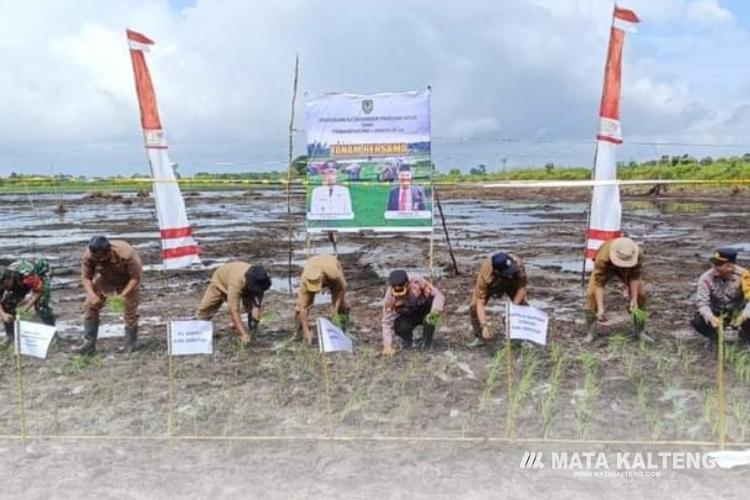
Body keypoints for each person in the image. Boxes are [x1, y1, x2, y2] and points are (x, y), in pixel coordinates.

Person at [72, 236, 143, 355]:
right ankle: (89, 344)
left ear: (109, 251)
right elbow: (86, 277)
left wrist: (122, 295)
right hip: (105, 278)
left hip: (128, 280)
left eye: (101, 258)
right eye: (96, 258)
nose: (99, 261)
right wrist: (92, 294)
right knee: (89, 305)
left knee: (129, 309)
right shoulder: (88, 256)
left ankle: (131, 345)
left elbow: (135, 277)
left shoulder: (127, 253)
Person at [584, 237, 647, 343]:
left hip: (629, 270)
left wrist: (634, 299)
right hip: (608, 266)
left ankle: (640, 332)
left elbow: (635, 277)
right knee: (591, 294)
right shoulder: (602, 256)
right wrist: (600, 308)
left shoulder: (638, 254)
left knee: (641, 295)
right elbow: (598, 283)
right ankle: (591, 333)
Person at [195, 262, 271, 345]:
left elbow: (258, 300)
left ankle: (252, 333)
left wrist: (256, 309)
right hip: (220, 282)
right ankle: (196, 335)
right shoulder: (236, 282)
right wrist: (243, 334)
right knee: (205, 310)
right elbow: (234, 310)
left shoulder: (261, 280)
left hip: (248, 287)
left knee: (253, 310)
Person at [692, 248, 750, 348]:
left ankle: (745, 337)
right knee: (698, 320)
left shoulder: (744, 276)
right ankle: (715, 338)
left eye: (721, 264)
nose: (716, 267)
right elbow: (702, 303)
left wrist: (744, 315)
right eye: (716, 264)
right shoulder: (706, 278)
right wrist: (710, 317)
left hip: (738, 312)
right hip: (716, 313)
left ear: (731, 266)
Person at [467, 252, 527, 348]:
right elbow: (480, 302)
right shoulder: (486, 272)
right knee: (473, 307)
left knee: (523, 307)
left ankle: (520, 338)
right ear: (496, 271)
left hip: (511, 284)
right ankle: (480, 337)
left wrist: (512, 309)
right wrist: (484, 325)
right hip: (493, 283)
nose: (510, 273)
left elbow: (522, 288)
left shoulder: (518, 265)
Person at [381, 270, 444, 356]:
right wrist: (388, 345)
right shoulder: (389, 298)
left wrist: (434, 312)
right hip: (408, 314)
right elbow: (386, 322)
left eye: (402, 290)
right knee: (399, 326)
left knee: (432, 312)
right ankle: (407, 340)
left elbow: (439, 296)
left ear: (407, 284)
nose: (399, 295)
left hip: (425, 309)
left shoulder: (418, 282)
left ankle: (427, 342)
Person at [0, 258, 55, 347]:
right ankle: (10, 336)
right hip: (19, 282)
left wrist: (27, 307)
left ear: (10, 279)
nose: (6, 289)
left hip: (42, 272)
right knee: (7, 303)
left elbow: (38, 290)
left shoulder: (27, 276)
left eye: (7, 286)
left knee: (41, 305)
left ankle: (52, 335)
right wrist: (3, 315)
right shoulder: (3, 280)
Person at [295, 254, 348, 346]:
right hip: (312, 265)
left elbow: (342, 289)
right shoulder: (305, 279)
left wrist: (335, 308)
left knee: (342, 306)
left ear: (323, 279)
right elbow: (303, 307)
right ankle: (299, 334)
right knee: (299, 308)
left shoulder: (334, 274)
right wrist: (306, 330)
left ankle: (342, 330)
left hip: (330, 268)